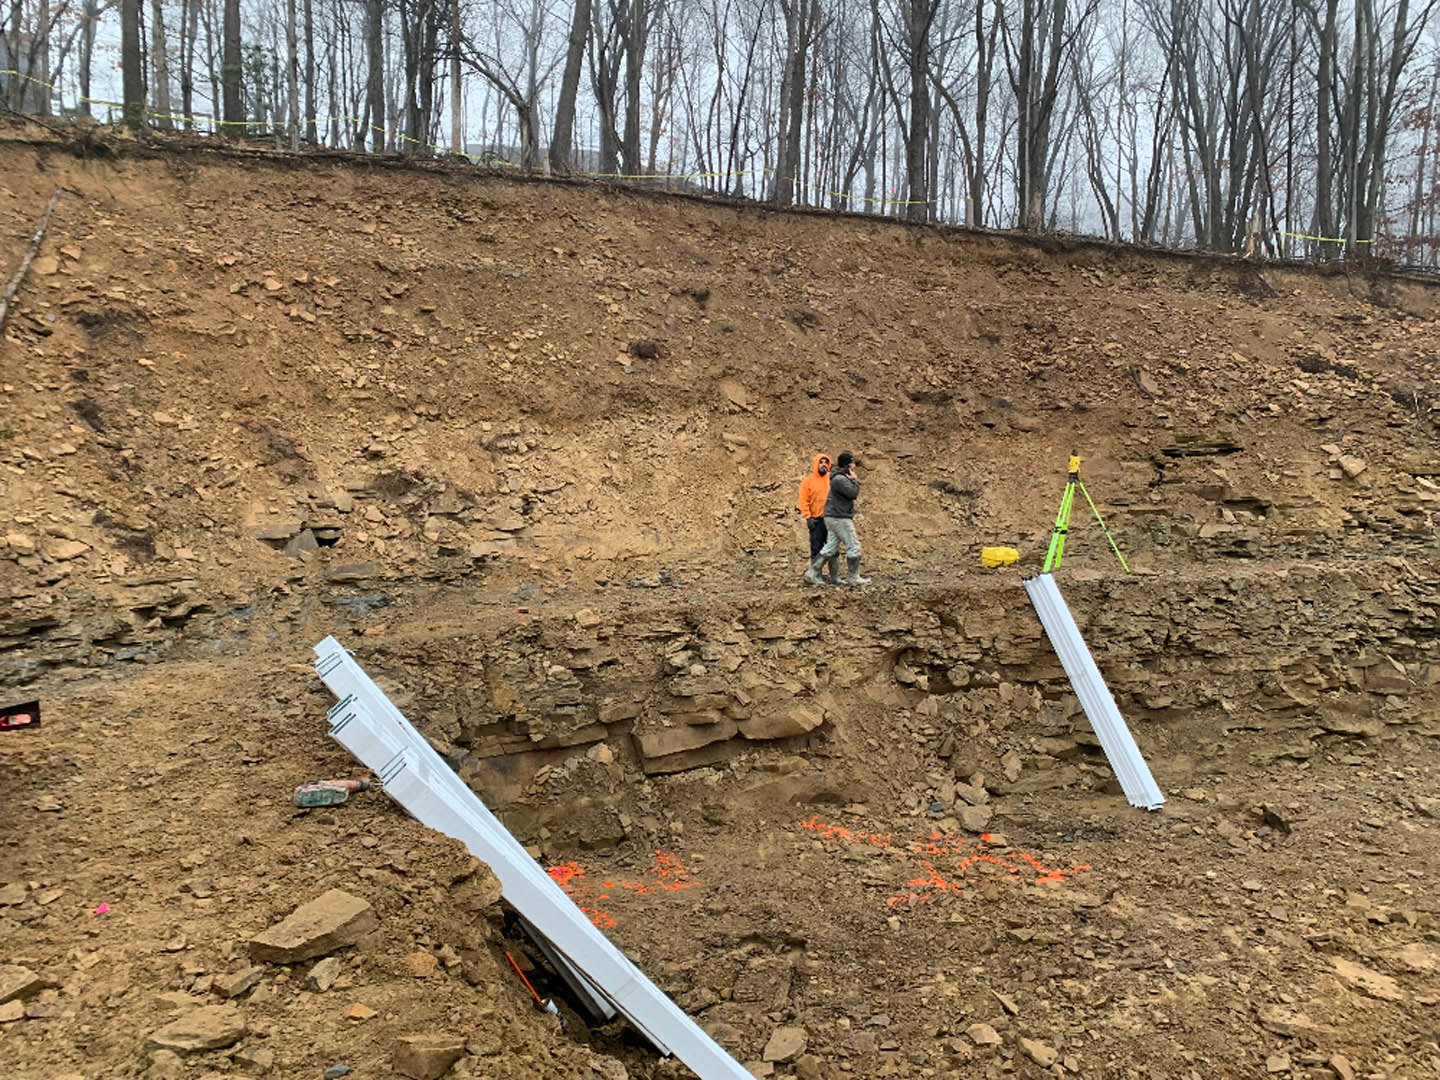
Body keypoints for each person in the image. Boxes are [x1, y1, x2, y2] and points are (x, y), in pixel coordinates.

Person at [805, 451, 871, 586]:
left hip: (832, 516)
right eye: (852, 463)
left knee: (830, 547)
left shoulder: (836, 477)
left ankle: (812, 573)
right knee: (853, 545)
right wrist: (854, 480)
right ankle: (854, 577)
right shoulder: (840, 479)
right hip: (839, 517)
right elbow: (853, 493)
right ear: (848, 465)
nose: (854, 465)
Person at [796, 453, 838, 584]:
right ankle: (816, 576)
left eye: (826, 462)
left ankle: (835, 577)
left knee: (833, 548)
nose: (823, 465)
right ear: (816, 464)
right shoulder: (808, 481)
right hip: (816, 520)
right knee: (816, 549)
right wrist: (808, 517)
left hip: (831, 520)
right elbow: (803, 500)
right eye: (821, 462)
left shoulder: (832, 479)